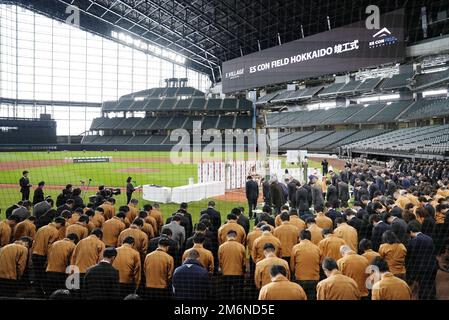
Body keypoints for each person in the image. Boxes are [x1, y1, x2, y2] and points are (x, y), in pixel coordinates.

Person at [32, 216, 66, 295]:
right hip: (43, 256)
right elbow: (50, 247)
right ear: (60, 224)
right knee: (44, 276)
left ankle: (38, 293)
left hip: (35, 254)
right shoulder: (55, 231)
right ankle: (46, 294)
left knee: (37, 276)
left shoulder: (41, 228)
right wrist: (49, 260)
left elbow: (34, 242)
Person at [406, 221, 437, 300]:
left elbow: (410, 257)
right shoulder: (429, 238)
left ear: (411, 231)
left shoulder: (412, 242)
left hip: (421, 268)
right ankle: (433, 297)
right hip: (432, 265)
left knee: (423, 286)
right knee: (432, 283)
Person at [290, 230, 321, 300]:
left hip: (300, 278)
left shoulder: (296, 247)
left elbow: (292, 265)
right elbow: (320, 263)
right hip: (314, 278)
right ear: (310, 238)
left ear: (300, 238)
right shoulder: (317, 248)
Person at [218, 230, 246, 300]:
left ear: (227, 236)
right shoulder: (241, 247)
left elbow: (220, 262)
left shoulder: (221, 247)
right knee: (238, 295)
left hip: (225, 274)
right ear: (236, 237)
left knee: (226, 294)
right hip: (238, 274)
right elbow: (244, 262)